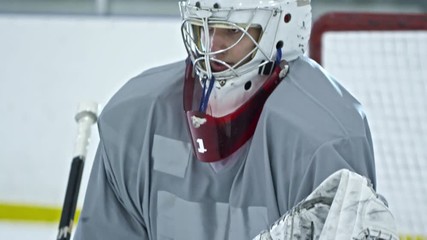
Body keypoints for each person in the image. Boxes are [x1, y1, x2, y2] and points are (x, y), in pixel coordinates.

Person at [74, 0, 377, 239]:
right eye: (202, 26)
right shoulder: (134, 119)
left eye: (232, 30)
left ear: (284, 26)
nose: (212, 48)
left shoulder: (325, 140)